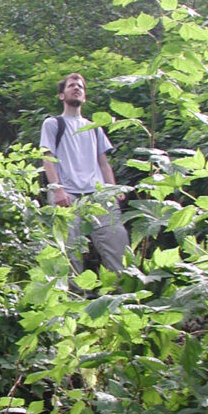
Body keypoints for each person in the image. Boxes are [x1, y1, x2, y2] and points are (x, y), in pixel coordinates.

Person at [40, 72, 128, 275]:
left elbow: (104, 164)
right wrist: (57, 190)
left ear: (85, 96)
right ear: (62, 95)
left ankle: (124, 298)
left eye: (80, 86)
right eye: (71, 85)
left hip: (98, 196)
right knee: (69, 253)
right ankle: (74, 299)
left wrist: (113, 189)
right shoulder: (53, 124)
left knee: (118, 245)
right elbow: (47, 158)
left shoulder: (94, 128)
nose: (77, 88)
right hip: (67, 195)